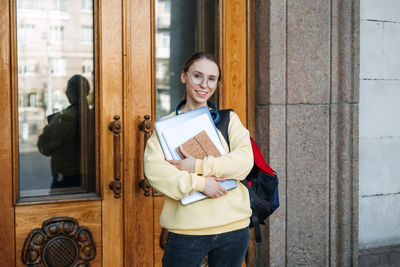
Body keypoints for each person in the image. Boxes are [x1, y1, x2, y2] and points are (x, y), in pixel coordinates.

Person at [144, 52, 253, 267]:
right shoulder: (166, 128)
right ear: (184, 77)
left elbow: (243, 162)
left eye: (211, 79)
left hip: (233, 228)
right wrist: (201, 184)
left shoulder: (228, 120)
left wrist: (197, 166)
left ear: (217, 83)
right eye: (197, 76)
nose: (204, 84)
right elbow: (156, 172)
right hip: (187, 231)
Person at [37, 74, 94, 189]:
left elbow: (44, 147)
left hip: (67, 181)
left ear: (70, 90)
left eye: (67, 88)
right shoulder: (94, 116)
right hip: (91, 179)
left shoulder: (63, 119)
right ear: (87, 92)